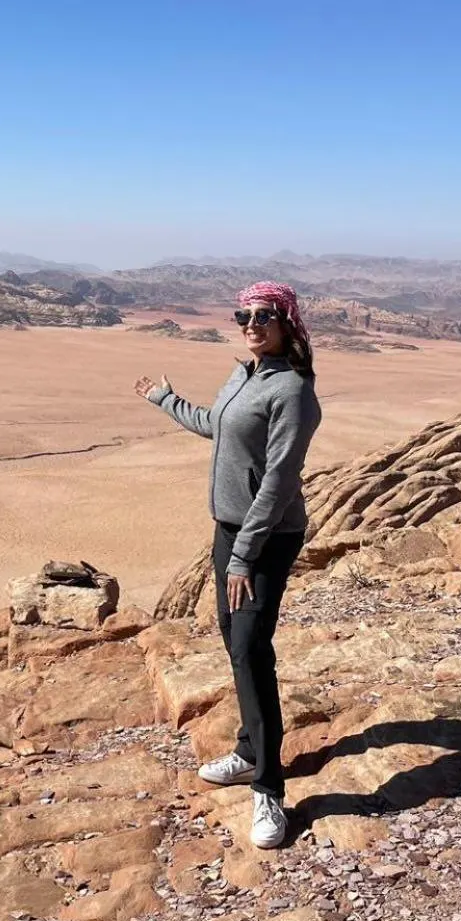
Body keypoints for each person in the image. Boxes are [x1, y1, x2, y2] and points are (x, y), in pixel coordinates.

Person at [135, 281, 321, 849]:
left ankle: (268, 787)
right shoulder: (244, 375)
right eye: (244, 313)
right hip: (230, 529)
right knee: (234, 640)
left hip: (264, 536)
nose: (251, 322)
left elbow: (278, 482)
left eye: (264, 315)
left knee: (250, 646)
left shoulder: (292, 391)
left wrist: (243, 556)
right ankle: (248, 750)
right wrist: (166, 400)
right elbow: (218, 426)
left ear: (288, 321)